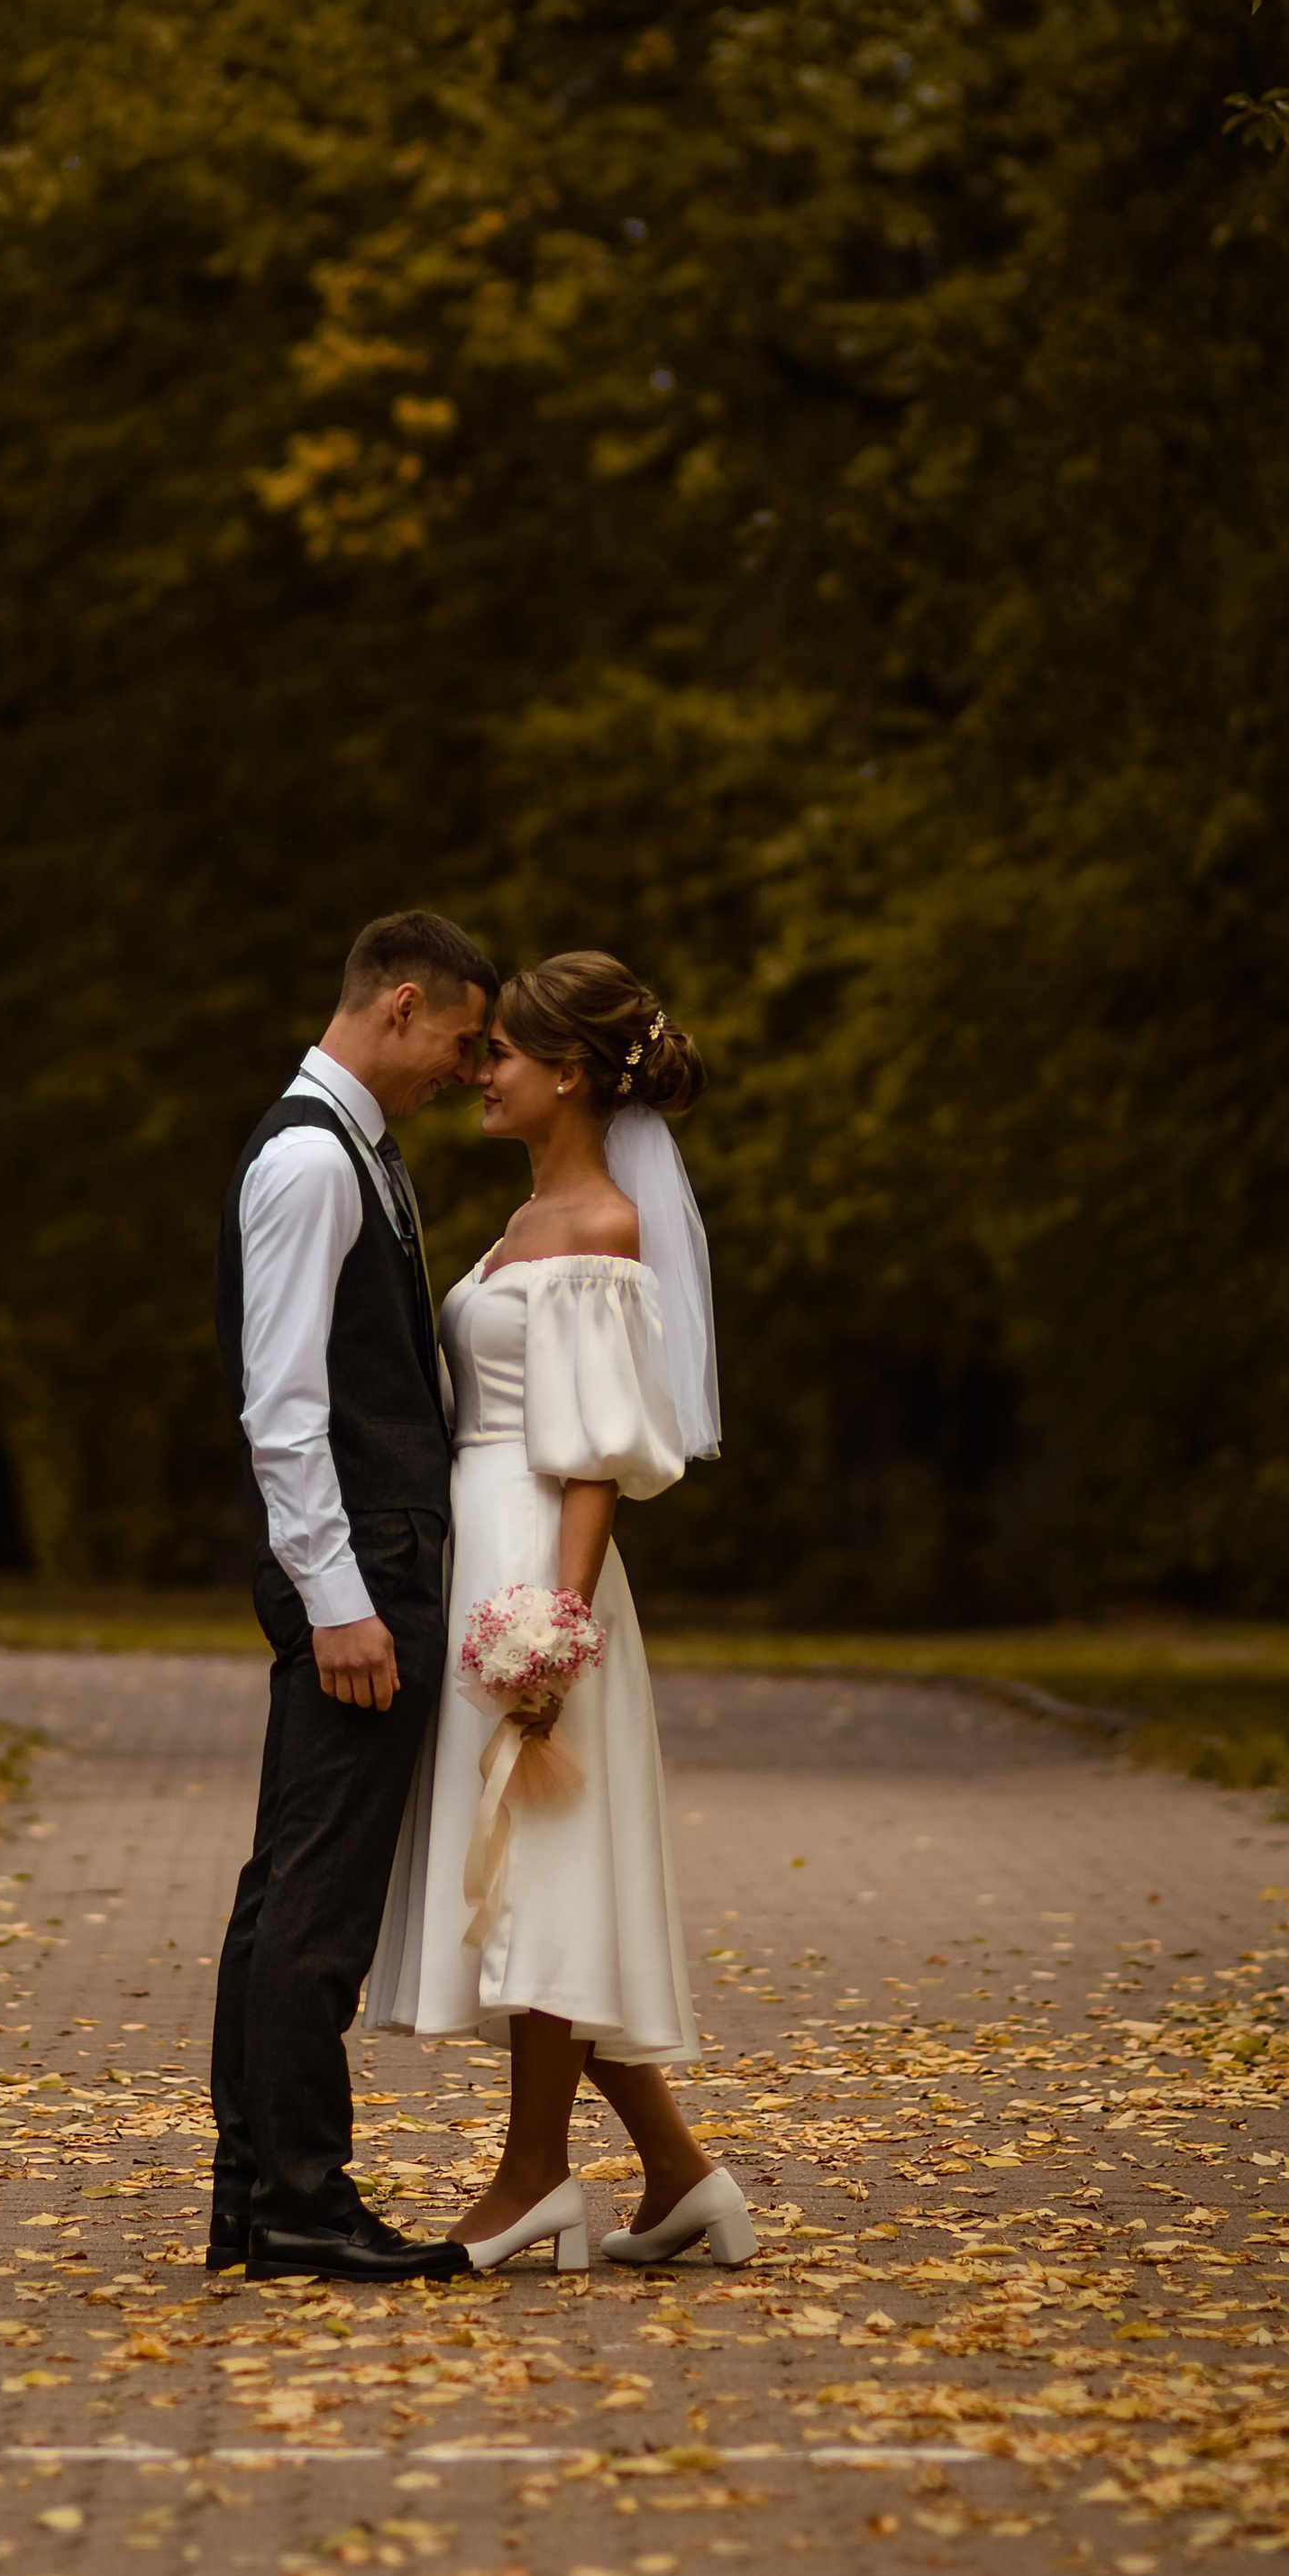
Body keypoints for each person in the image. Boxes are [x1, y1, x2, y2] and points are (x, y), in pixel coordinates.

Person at [368, 951, 756, 2275]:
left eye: (506, 1056)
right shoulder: (529, 1218)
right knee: (538, 1881)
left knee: (539, 1875)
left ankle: (534, 2177)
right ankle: (681, 2175)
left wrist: (553, 1626)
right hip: (492, 1550)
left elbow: (593, 1456)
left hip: (540, 1564)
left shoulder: (596, 1229)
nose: (483, 1073)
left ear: (571, 1072)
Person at [207, 909, 500, 2282]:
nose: (467, 1064)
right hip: (359, 1569)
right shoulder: (313, 1164)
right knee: (317, 1902)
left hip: (371, 1556)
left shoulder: (350, 1152)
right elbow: (285, 1406)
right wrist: (337, 1597)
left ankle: (257, 2197)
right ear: (397, 1004)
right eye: (457, 1036)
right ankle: (303, 2206)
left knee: (286, 1891)